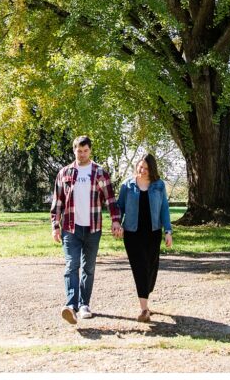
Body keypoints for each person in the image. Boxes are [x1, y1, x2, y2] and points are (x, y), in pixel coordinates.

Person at [50, 135, 122, 325]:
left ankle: (84, 305)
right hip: (70, 229)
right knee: (71, 265)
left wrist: (116, 221)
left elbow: (110, 200)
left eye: (85, 150)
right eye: (78, 151)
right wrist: (55, 226)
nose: (82, 154)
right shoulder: (64, 173)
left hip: (93, 228)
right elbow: (57, 202)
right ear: (74, 151)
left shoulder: (99, 172)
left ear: (90, 150)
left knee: (88, 268)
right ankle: (71, 306)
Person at [116, 153, 173, 322]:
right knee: (139, 268)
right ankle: (144, 309)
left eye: (146, 168)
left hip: (153, 232)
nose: (143, 170)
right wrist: (117, 223)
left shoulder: (159, 185)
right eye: (140, 167)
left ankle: (145, 295)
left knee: (151, 269)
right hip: (132, 233)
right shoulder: (127, 185)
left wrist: (168, 231)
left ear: (152, 169)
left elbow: (164, 210)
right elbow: (120, 208)